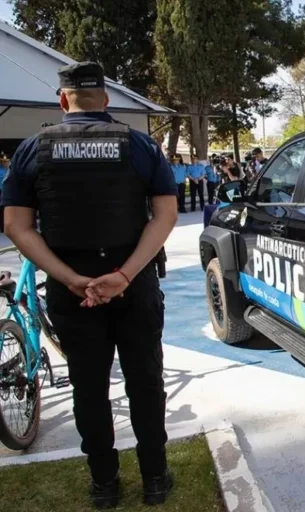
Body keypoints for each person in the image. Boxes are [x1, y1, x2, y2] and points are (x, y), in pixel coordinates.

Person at [1, 62, 178, 509]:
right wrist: (124, 275)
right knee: (145, 381)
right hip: (132, 283)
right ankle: (155, 479)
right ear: (106, 99)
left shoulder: (32, 149)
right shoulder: (141, 145)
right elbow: (165, 215)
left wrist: (71, 279)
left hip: (72, 290)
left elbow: (16, 226)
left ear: (63, 100)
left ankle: (105, 484)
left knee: (89, 387)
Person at [0, 153, 9, 232]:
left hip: (5, 192)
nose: (4, 163)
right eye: (3, 161)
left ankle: (3, 227)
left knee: (4, 210)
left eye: (5, 161)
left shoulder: (8, 170)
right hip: (2, 191)